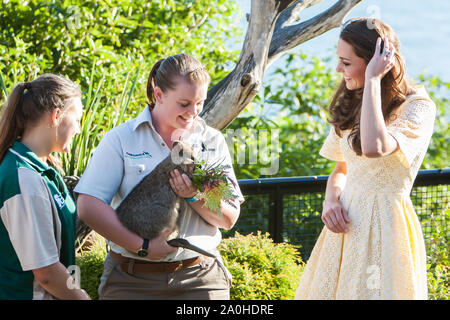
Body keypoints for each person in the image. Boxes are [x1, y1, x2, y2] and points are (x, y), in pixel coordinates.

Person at [75, 54, 244, 300]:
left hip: (200, 279)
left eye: (200, 102)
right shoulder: (122, 139)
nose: (193, 112)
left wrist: (193, 195)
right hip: (131, 281)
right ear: (158, 95)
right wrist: (142, 247)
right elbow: (88, 207)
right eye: (184, 103)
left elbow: (228, 218)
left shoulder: (211, 141)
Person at [295, 18, 436, 299]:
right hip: (345, 231)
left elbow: (374, 147)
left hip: (387, 229)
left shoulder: (418, 107)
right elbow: (342, 168)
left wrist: (372, 80)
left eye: (346, 63)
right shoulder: (354, 99)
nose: (338, 69)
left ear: (378, 62)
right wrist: (331, 200)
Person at [0, 74, 90, 300]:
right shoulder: (23, 178)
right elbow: (46, 272)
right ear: (57, 115)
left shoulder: (39, 168)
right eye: (77, 119)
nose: (79, 130)